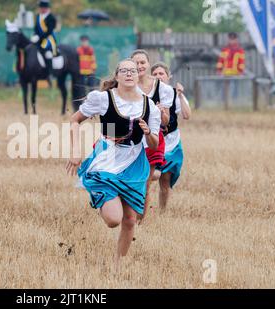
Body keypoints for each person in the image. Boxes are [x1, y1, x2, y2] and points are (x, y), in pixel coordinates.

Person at [66, 59, 161, 268]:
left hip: (135, 162)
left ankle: (118, 267)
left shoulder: (149, 106)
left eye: (133, 71)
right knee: (113, 220)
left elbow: (153, 145)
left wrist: (148, 133)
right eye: (124, 71)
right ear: (117, 76)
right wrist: (75, 152)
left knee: (129, 220)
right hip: (107, 159)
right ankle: (100, 194)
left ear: (139, 75)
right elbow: (74, 120)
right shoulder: (102, 99)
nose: (129, 74)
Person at [131, 49, 174, 217]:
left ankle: (139, 222)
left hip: (152, 139)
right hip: (130, 140)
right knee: (129, 181)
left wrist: (160, 113)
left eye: (143, 62)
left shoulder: (162, 89)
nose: (140, 66)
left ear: (148, 64)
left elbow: (165, 121)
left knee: (145, 184)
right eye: (136, 63)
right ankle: (127, 214)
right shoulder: (127, 85)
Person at [151, 62, 191, 212]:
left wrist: (180, 96)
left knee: (165, 180)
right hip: (152, 142)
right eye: (154, 74)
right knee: (153, 174)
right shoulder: (147, 93)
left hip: (171, 143)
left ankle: (162, 211)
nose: (158, 77)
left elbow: (187, 115)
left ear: (168, 76)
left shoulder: (174, 94)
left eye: (161, 74)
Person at [31, 0, 58, 74]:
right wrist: (34, 35)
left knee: (47, 53)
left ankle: (49, 72)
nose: (41, 9)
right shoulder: (38, 16)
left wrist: (39, 37)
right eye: (41, 8)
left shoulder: (51, 18)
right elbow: (36, 28)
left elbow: (49, 31)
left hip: (49, 39)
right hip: (39, 38)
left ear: (46, 8)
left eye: (43, 8)